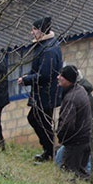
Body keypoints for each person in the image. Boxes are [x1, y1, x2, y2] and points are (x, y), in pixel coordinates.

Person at [18, 15, 63, 162]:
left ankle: (50, 152)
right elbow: (37, 68)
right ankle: (48, 151)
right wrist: (28, 76)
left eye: (34, 29)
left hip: (46, 95)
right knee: (41, 121)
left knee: (40, 122)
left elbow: (44, 75)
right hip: (42, 93)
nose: (32, 32)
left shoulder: (49, 50)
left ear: (41, 31)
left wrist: (26, 80)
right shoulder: (45, 45)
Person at [55, 65, 92, 179]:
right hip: (85, 139)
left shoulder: (71, 98)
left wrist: (61, 137)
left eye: (62, 76)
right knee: (81, 171)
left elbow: (67, 124)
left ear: (69, 80)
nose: (58, 77)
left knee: (70, 174)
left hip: (76, 142)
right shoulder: (80, 90)